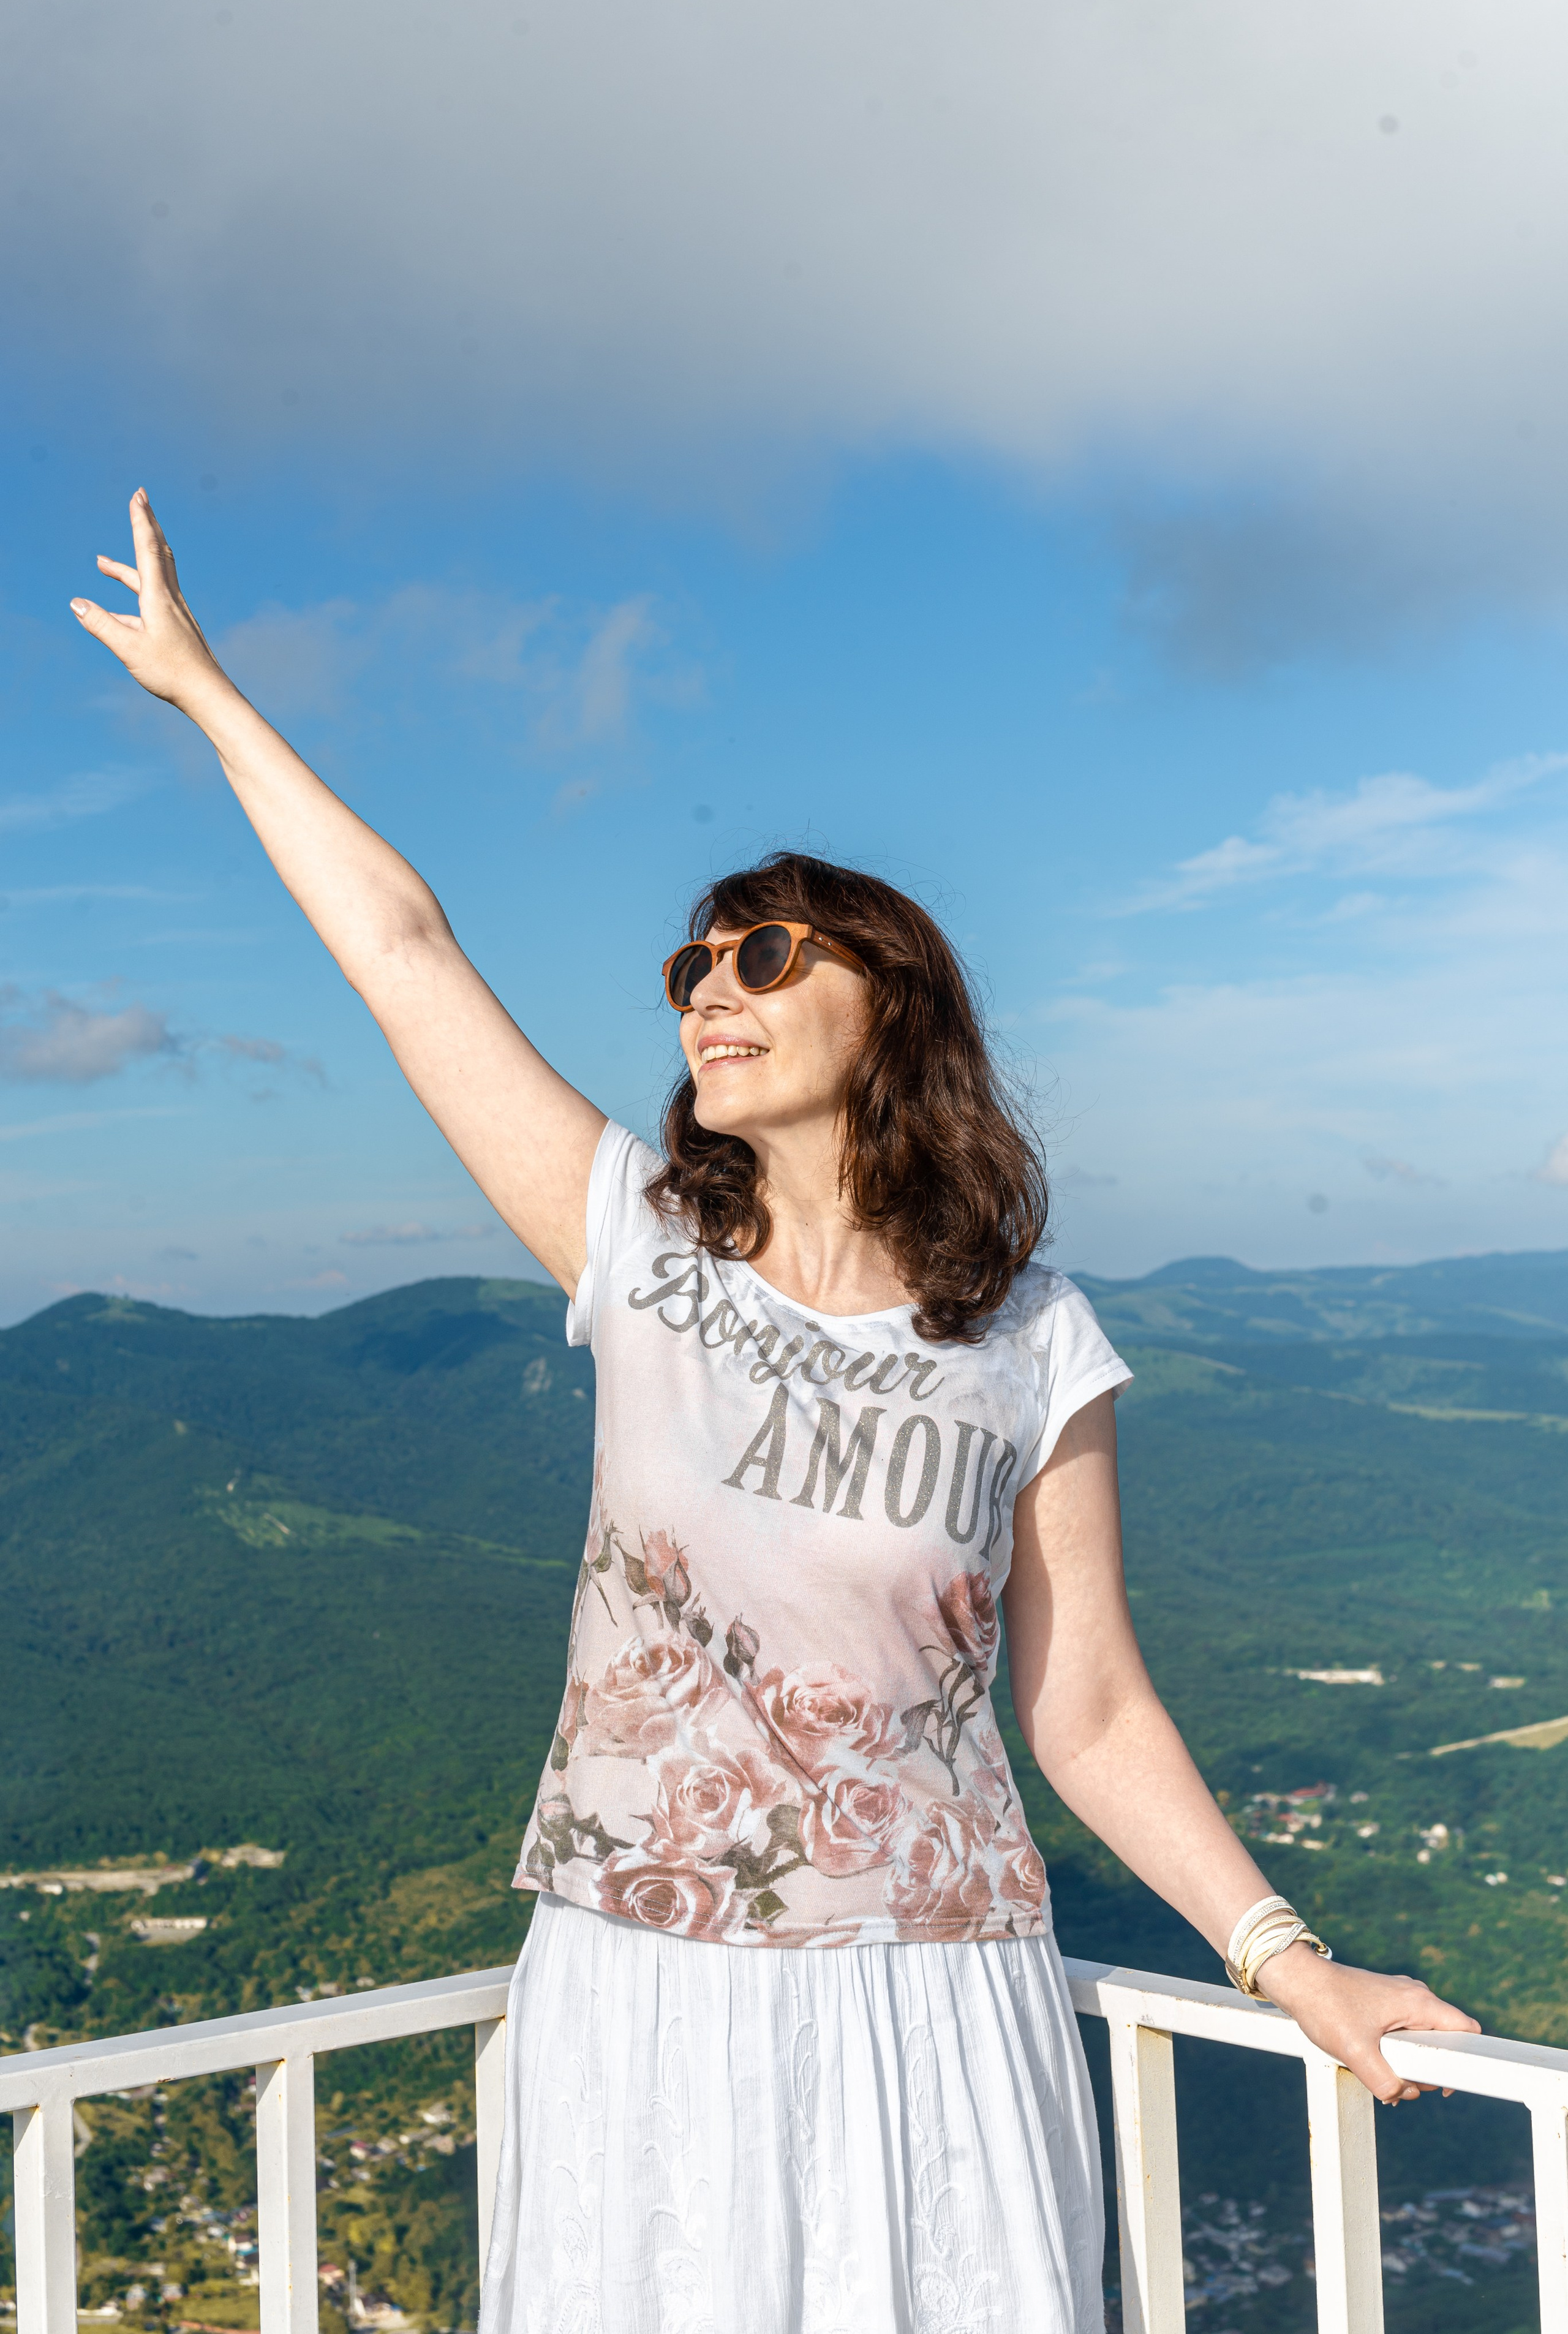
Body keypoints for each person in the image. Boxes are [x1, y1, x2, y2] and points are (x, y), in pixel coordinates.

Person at [72, 494, 1480, 2334]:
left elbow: (1093, 1703)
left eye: (762, 955)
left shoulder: (1036, 1336)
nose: (708, 989)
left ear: (891, 1010)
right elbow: (404, 950)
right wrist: (207, 692)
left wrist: (1297, 1966)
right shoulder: (640, 1253)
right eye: (692, 966)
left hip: (942, 1997)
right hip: (647, 1986)